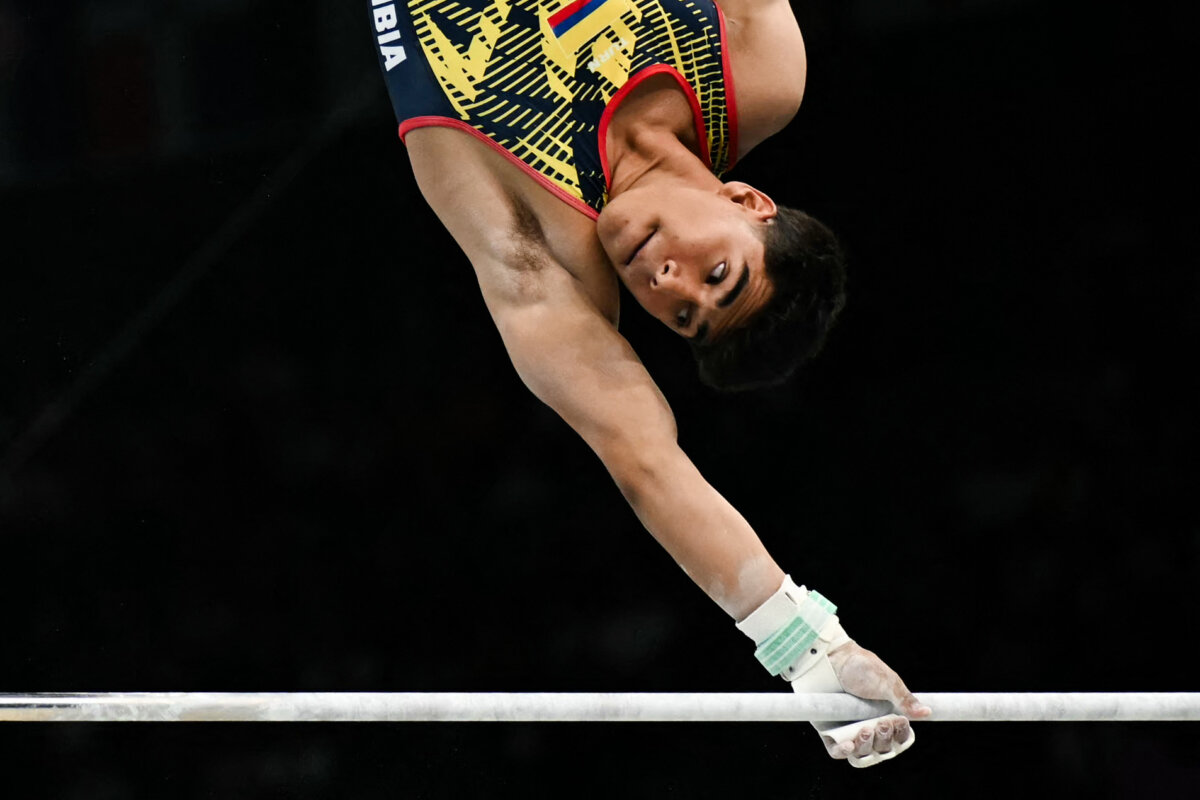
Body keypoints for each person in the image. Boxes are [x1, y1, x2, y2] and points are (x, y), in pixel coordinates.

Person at [368, 0, 931, 765]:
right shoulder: (755, 72)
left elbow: (647, 462)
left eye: (684, 319)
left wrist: (811, 651)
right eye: (718, 275)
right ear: (748, 202)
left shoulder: (546, 268)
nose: (670, 285)